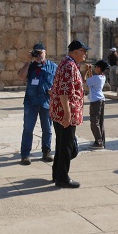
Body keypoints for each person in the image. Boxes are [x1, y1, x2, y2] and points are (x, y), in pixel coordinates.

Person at [50, 40, 90, 188]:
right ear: (75, 52)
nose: (85, 54)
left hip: (60, 111)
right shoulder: (69, 66)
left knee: (62, 145)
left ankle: (57, 173)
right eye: (83, 51)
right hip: (66, 113)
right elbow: (64, 92)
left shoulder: (68, 64)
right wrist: (67, 114)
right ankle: (62, 178)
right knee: (68, 146)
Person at [18, 43, 58, 165]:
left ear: (45, 52)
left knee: (47, 129)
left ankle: (46, 152)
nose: (39, 55)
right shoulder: (30, 66)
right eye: (36, 53)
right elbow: (21, 77)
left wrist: (54, 91)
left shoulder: (53, 67)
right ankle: (25, 154)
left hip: (46, 102)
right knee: (28, 129)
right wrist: (28, 61)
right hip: (31, 102)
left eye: (41, 53)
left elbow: (58, 82)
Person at [85, 59, 109, 149]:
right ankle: (101, 141)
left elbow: (85, 82)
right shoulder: (102, 77)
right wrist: (90, 71)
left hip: (96, 101)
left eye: (96, 67)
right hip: (101, 100)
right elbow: (92, 80)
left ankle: (98, 142)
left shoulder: (97, 78)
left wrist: (86, 71)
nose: (95, 68)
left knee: (94, 121)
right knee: (100, 121)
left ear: (99, 68)